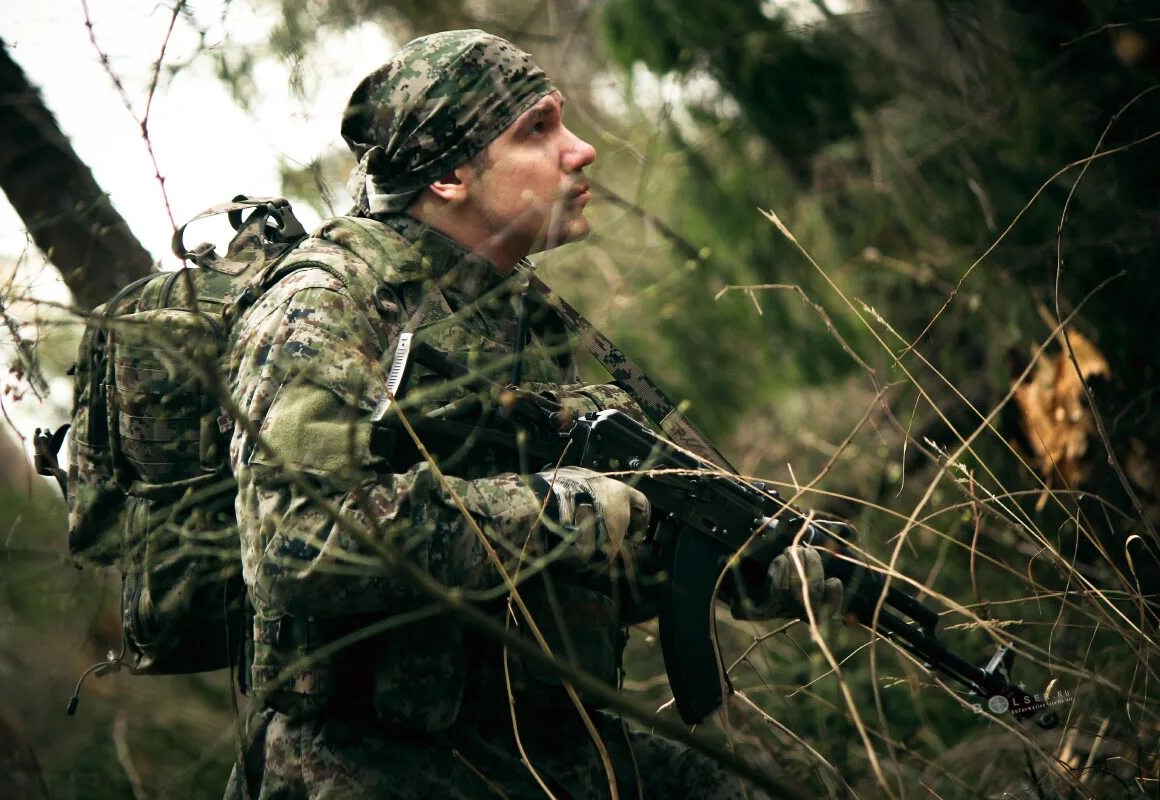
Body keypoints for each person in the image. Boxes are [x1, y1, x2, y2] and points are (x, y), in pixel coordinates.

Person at [225, 29, 839, 799]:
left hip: (549, 743)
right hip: (379, 769)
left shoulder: (517, 315)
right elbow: (296, 544)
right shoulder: (327, 305)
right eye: (537, 131)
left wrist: (719, 564)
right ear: (448, 173)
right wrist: (571, 511)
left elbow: (558, 569)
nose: (580, 151)